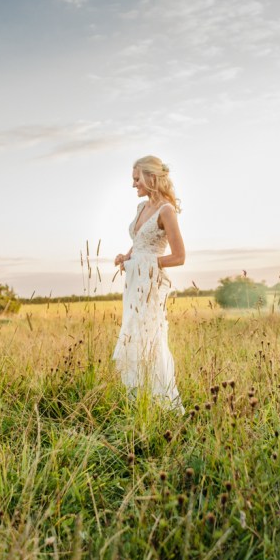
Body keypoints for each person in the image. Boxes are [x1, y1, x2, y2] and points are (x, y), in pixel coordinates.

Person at [112, 155, 186, 412]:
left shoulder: (166, 210)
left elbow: (179, 257)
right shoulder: (141, 209)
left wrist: (147, 265)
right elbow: (140, 243)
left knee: (151, 339)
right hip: (134, 283)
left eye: (136, 178)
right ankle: (137, 400)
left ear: (151, 177)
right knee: (132, 336)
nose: (133, 184)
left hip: (151, 284)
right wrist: (127, 256)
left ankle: (162, 404)